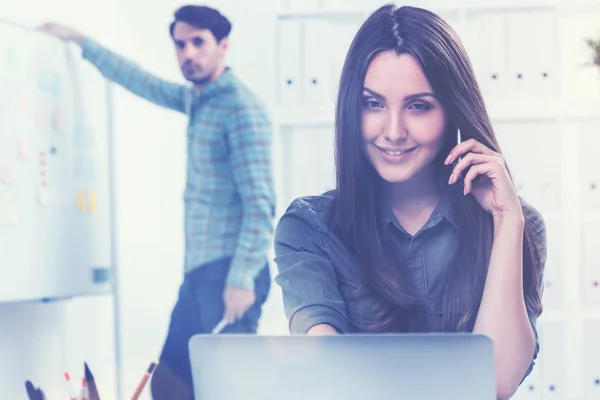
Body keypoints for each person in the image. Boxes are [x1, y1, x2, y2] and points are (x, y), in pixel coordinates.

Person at [273, 5, 546, 400]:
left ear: (452, 109)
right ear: (352, 107)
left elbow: (496, 383)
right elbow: (326, 371)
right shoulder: (310, 228)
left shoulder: (517, 225)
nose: (394, 131)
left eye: (418, 106)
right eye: (373, 104)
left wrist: (507, 221)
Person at [40, 5, 274, 399]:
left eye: (198, 42)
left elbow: (261, 203)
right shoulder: (198, 100)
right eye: (180, 45)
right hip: (201, 273)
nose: (188, 54)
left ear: (223, 45)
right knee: (171, 386)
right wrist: (81, 41)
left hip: (229, 274)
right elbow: (143, 82)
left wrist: (241, 278)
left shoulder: (241, 109)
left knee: (211, 388)